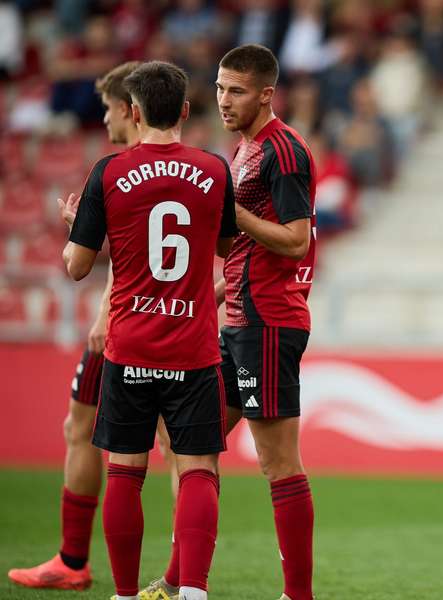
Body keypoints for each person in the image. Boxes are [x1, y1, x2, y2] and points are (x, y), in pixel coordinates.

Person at [143, 43, 317, 600]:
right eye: (219, 88)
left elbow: (294, 241)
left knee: (278, 462)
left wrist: (229, 210)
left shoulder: (282, 152)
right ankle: (179, 579)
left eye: (236, 90)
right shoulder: (242, 151)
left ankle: (298, 595)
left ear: (266, 94)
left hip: (268, 323)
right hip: (238, 318)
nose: (223, 99)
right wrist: (208, 296)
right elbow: (244, 251)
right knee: (188, 442)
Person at [59, 60, 238, 600]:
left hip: (130, 343)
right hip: (193, 347)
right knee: (198, 468)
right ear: (184, 110)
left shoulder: (108, 172)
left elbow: (76, 266)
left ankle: (125, 594)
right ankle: (195, 592)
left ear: (132, 112)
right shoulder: (214, 170)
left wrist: (79, 229)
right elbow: (228, 248)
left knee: (125, 471)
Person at [7, 60, 175, 592]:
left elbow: (116, 264)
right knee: (82, 428)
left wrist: (102, 306)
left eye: (108, 107)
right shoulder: (146, 167)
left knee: (169, 449)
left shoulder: (125, 169)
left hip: (129, 324)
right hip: (146, 319)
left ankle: (174, 574)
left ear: (132, 109)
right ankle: (75, 559)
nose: (103, 119)